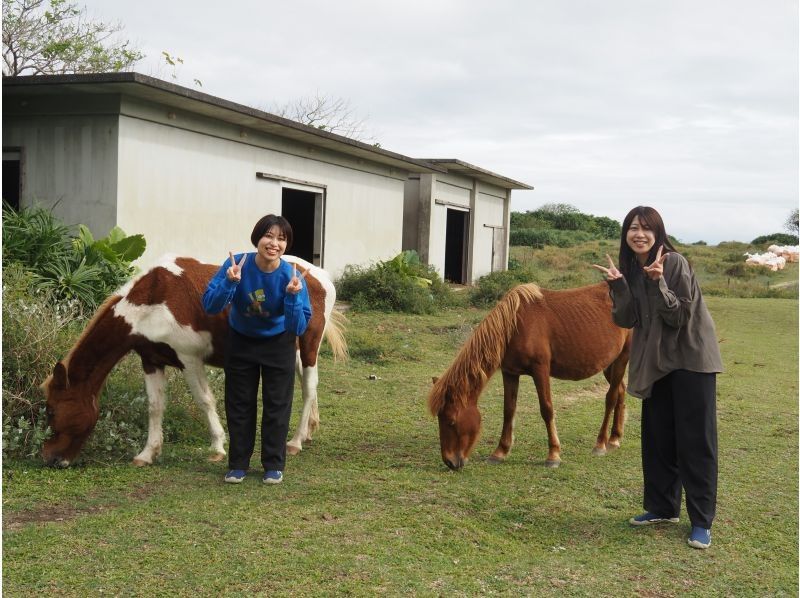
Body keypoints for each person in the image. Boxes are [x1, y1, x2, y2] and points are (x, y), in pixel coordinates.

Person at [592, 206, 723, 550]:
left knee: (696, 442)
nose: (639, 234)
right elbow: (627, 319)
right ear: (626, 234)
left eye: (646, 229)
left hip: (691, 360)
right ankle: (663, 508)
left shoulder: (674, 263)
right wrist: (619, 286)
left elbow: (679, 315)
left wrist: (658, 280)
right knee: (659, 437)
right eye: (633, 228)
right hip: (657, 362)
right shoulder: (632, 269)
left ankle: (701, 521)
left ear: (658, 233)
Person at [203, 214, 311, 485]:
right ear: (258, 238)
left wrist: (293, 297)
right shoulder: (236, 264)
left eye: (281, 239)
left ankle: (273, 464)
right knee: (239, 403)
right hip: (241, 339)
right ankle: (238, 464)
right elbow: (210, 306)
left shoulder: (292, 275)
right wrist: (230, 282)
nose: (274, 243)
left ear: (286, 245)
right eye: (269, 236)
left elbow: (297, 326)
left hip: (279, 343)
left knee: (277, 404)